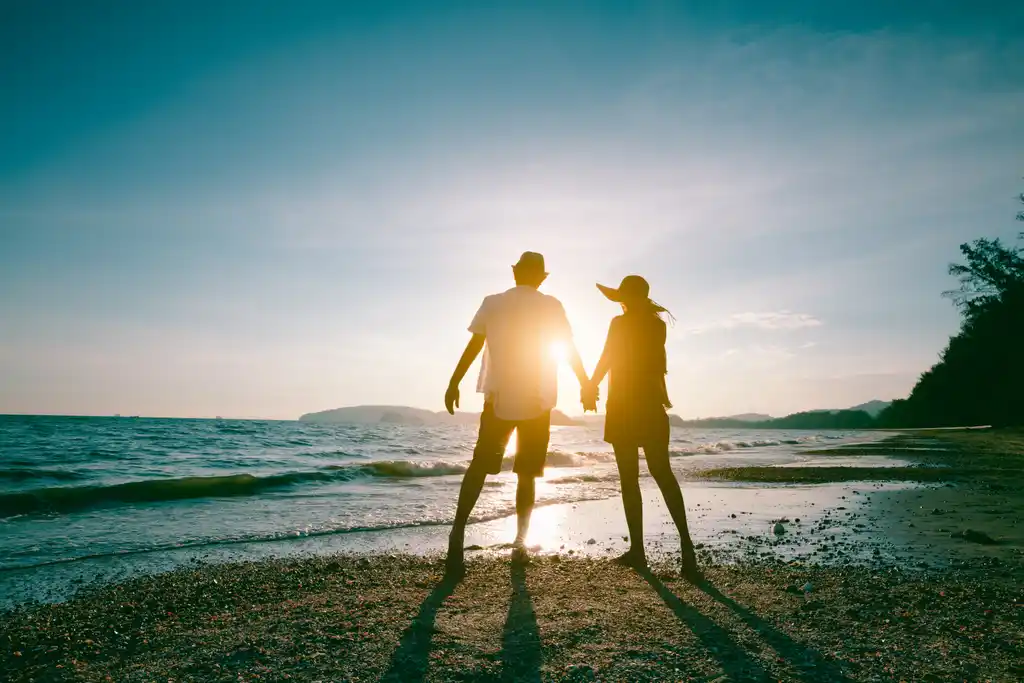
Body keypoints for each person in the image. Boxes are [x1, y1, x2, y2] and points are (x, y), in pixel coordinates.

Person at [444, 252, 591, 576]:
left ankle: (457, 534)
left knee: (480, 465)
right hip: (537, 402)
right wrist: (585, 384)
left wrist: (454, 382)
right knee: (527, 473)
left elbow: (473, 347)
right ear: (541, 277)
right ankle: (520, 543)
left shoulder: (492, 303)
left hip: (498, 399)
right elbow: (567, 348)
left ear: (515, 274)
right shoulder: (552, 305)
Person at [586, 275, 699, 579]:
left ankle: (638, 551)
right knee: (662, 473)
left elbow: (608, 357)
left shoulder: (620, 323)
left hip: (624, 407)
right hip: (651, 407)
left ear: (628, 297)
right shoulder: (656, 325)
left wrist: (591, 386)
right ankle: (687, 550)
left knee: (629, 479)